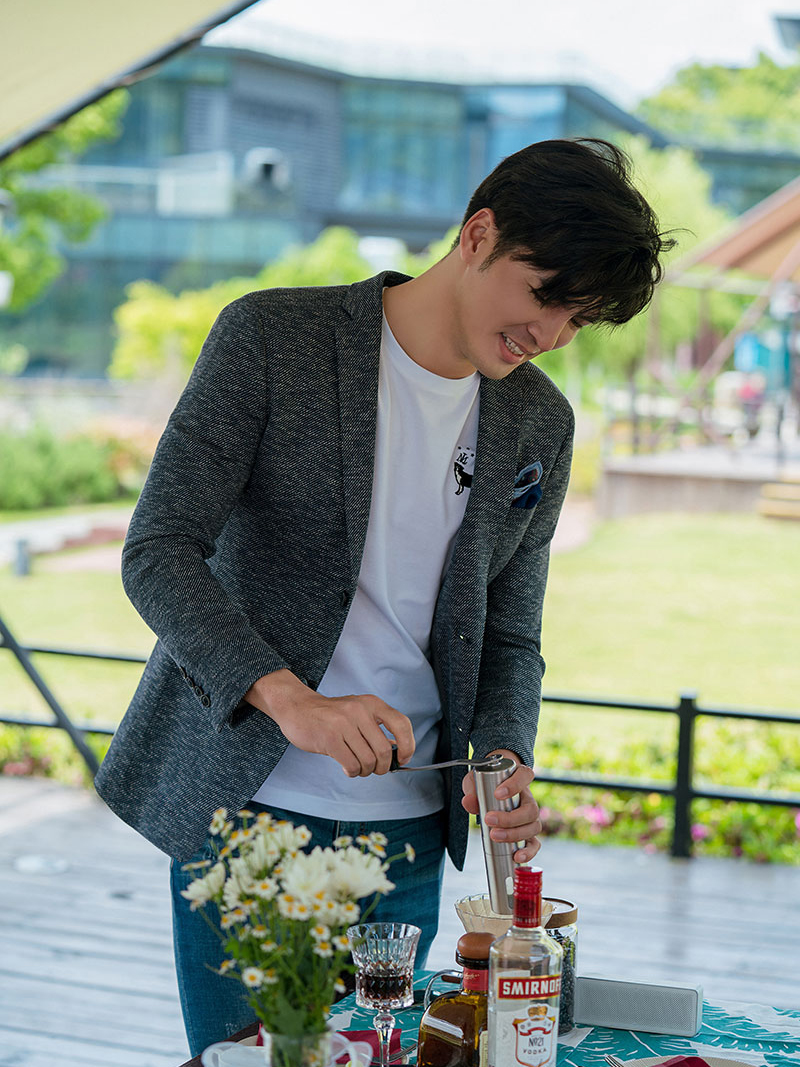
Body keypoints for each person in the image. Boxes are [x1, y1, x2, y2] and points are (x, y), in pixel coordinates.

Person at [95, 138, 671, 1054]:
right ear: (478, 234)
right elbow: (158, 549)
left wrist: (505, 754)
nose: (554, 334)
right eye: (545, 296)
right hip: (249, 819)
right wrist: (293, 700)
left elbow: (511, 633)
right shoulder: (270, 338)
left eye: (580, 319)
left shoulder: (542, 422)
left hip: (406, 839)